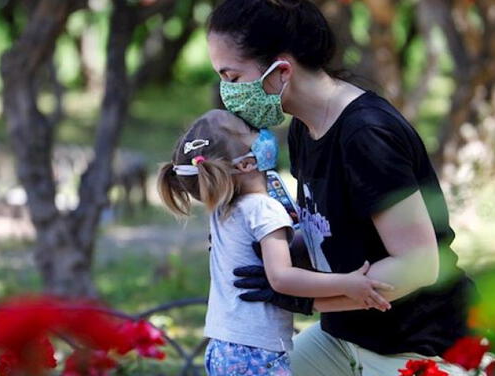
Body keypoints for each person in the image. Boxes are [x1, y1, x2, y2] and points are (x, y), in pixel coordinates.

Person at [206, 0, 477, 374]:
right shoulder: (305, 126)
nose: (226, 91)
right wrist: (270, 243)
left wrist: (303, 299)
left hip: (416, 346)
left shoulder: (366, 136)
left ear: (281, 70)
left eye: (232, 77)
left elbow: (419, 264)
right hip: (344, 336)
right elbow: (328, 230)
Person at [157, 109, 395, 376]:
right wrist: (348, 284)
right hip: (255, 352)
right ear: (246, 164)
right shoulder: (264, 209)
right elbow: (281, 278)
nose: (263, 135)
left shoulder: (223, 208)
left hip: (222, 348)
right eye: (252, 131)